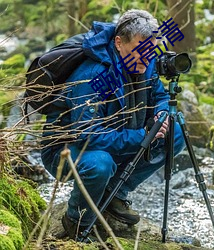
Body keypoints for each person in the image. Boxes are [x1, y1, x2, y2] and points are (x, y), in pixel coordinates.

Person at [41, 9, 185, 241]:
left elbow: (159, 96)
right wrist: (142, 136)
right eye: (139, 52)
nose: (146, 60)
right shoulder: (93, 75)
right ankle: (76, 221)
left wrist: (161, 114)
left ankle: (115, 193)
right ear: (119, 43)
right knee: (100, 164)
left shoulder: (143, 60)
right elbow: (87, 135)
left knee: (175, 132)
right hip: (67, 150)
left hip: (117, 136)